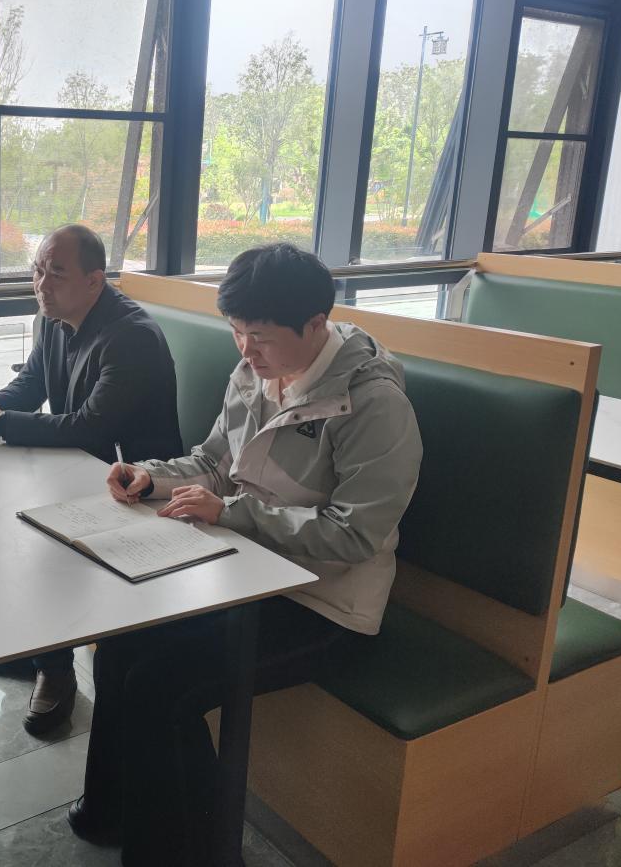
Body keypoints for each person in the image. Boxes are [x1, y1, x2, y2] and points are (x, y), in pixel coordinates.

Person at [74, 242, 423, 865]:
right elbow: (214, 462)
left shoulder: (373, 403)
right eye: (237, 332)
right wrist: (152, 478)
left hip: (324, 601)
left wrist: (233, 513)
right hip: (244, 569)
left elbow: (354, 536)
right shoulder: (254, 372)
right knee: (122, 644)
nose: (245, 350)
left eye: (259, 336)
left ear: (315, 324)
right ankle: (110, 812)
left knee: (161, 687)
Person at [0, 224, 183, 737]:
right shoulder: (54, 321)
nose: (42, 284)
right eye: (37, 270)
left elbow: (90, 426)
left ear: (95, 280)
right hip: (77, 473)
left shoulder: (131, 336)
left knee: (35, 535)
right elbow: (32, 384)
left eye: (56, 273)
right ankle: (38, 648)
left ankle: (55, 669)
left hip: (134, 490)